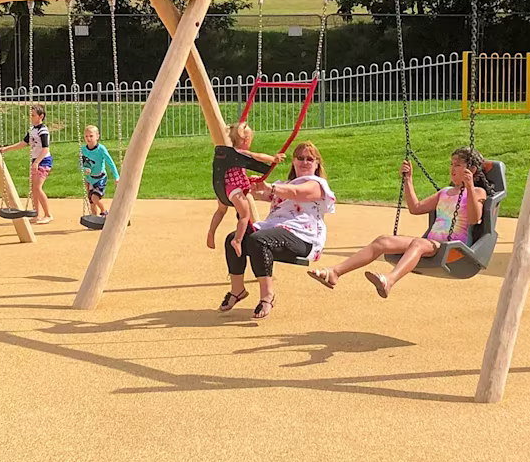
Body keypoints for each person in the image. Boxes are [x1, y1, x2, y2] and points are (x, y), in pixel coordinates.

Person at [307, 147, 489, 299]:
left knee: (418, 243)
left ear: (471, 170)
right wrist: (408, 180)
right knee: (383, 241)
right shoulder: (445, 192)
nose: (452, 169)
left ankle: (389, 281)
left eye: (457, 165)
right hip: (431, 244)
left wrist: (470, 187)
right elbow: (416, 208)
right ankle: (335, 273)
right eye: (451, 164)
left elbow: (474, 219)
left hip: (454, 249)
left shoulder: (478, 192)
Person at [219, 141, 334, 320]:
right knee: (233, 238)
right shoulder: (284, 184)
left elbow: (296, 193)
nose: (305, 162)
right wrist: (239, 185)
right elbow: (258, 193)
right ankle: (237, 290)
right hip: (274, 230)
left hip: (302, 237)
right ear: (293, 162)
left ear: (317, 163)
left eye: (310, 159)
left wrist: (271, 187)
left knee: (258, 240)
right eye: (300, 158)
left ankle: (267, 296)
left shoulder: (317, 185)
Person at [208, 122, 285, 256]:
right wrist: (274, 158)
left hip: (222, 187)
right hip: (234, 190)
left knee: (221, 210)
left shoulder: (227, 153)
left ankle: (211, 231)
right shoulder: (243, 153)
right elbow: (258, 156)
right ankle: (237, 240)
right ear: (246, 140)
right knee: (245, 215)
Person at [0, 104, 53, 224]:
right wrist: (6, 149)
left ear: (41, 116)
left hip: (43, 160)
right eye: (30, 115)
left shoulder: (43, 130)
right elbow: (23, 143)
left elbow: (45, 148)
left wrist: (37, 162)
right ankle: (37, 214)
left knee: (38, 187)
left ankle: (48, 214)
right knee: (34, 189)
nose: (31, 117)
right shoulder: (32, 130)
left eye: (33, 115)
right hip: (35, 161)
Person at [77, 125, 118, 218]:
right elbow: (80, 165)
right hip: (90, 179)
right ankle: (94, 219)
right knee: (92, 203)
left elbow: (110, 162)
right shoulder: (83, 150)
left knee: (95, 198)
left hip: (100, 178)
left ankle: (104, 212)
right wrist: (84, 169)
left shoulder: (101, 149)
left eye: (91, 136)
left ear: (97, 136)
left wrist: (116, 177)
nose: (88, 138)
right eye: (86, 136)